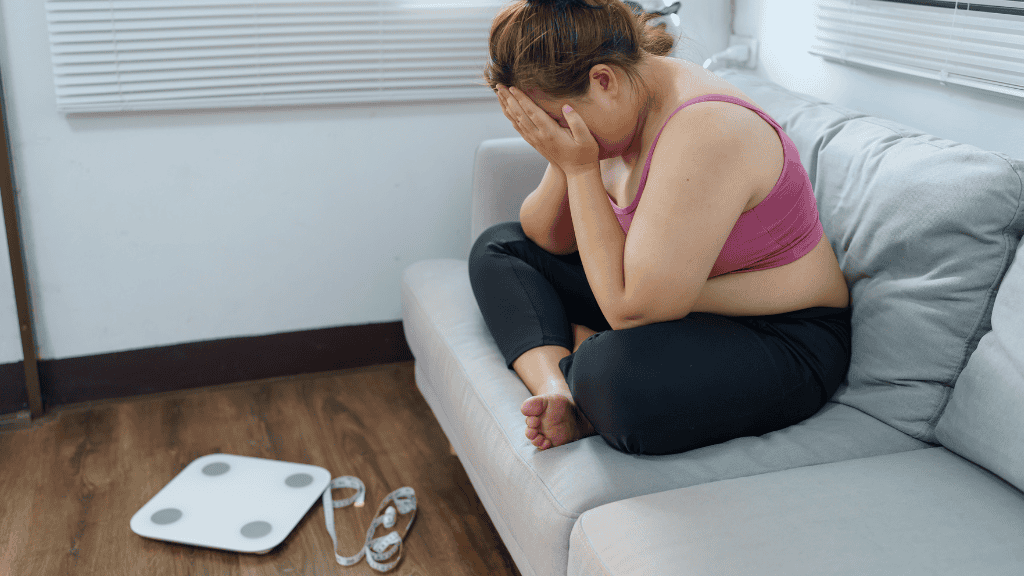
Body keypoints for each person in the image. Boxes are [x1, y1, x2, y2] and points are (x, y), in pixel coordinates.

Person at [469, 0, 851, 456]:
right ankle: (559, 393)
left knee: (609, 375)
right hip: (662, 295)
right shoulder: (617, 103)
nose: (555, 135)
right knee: (500, 248)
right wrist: (566, 158)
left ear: (602, 80)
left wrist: (579, 170)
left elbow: (631, 312)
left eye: (554, 121)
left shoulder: (705, 128)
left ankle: (580, 368)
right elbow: (545, 238)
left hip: (781, 336)